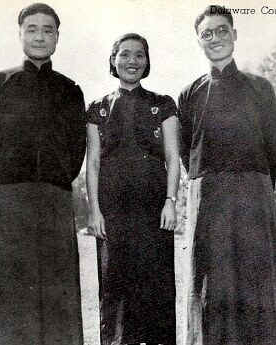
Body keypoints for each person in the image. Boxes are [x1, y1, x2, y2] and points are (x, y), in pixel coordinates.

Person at [178, 5, 276, 345]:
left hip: (253, 198)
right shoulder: (189, 94)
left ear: (234, 34)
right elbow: (189, 155)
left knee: (256, 281)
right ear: (199, 41)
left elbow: (271, 151)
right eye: (207, 34)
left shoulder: (261, 88)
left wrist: (256, 193)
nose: (215, 38)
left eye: (221, 30)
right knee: (210, 284)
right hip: (208, 201)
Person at [0, 3, 86, 345]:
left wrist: (57, 178)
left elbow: (76, 147)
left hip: (54, 200)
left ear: (57, 37)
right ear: (20, 34)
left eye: (47, 29)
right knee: (9, 295)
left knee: (57, 293)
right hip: (8, 202)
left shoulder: (70, 89)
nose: (40, 36)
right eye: (32, 29)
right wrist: (3, 180)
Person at [86, 33, 179, 345]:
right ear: (113, 60)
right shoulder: (98, 109)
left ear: (147, 61)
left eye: (139, 55)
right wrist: (95, 211)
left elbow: (172, 157)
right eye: (124, 54)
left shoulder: (163, 105)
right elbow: (94, 164)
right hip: (113, 214)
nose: (132, 61)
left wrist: (170, 201)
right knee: (114, 288)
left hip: (153, 212)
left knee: (156, 289)